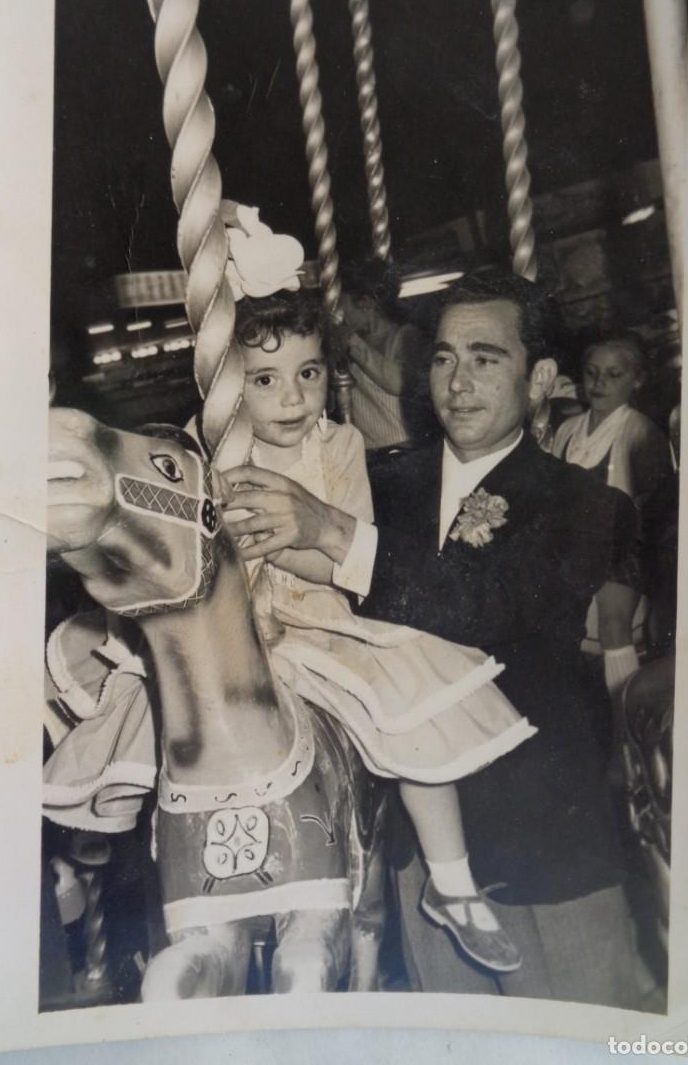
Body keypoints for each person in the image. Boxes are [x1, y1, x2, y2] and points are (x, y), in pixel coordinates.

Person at [227, 270, 648, 1006]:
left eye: (487, 358)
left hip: (542, 838)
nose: (458, 381)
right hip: (418, 849)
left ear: (540, 379)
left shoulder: (586, 503)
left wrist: (332, 533)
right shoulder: (376, 478)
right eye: (445, 358)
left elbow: (485, 605)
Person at [224, 284, 536, 974]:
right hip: (235, 622)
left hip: (319, 617)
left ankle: (451, 881)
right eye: (265, 380)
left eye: (309, 374)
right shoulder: (212, 447)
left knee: (410, 709)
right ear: (227, 388)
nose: (292, 397)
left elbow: (346, 549)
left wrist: (275, 544)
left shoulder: (339, 443)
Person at [552, 335, 673, 733]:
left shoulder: (640, 432)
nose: (599, 383)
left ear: (636, 380)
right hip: (574, 544)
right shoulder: (567, 431)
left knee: (612, 623)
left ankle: (629, 730)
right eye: (591, 373)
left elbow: (658, 509)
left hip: (627, 546)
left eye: (613, 374)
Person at [338, 271, 426, 448]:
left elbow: (399, 383)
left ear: (365, 303)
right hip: (368, 448)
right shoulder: (351, 345)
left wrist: (351, 340)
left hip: (402, 445)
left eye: (342, 307)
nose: (339, 315)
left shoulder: (405, 336)